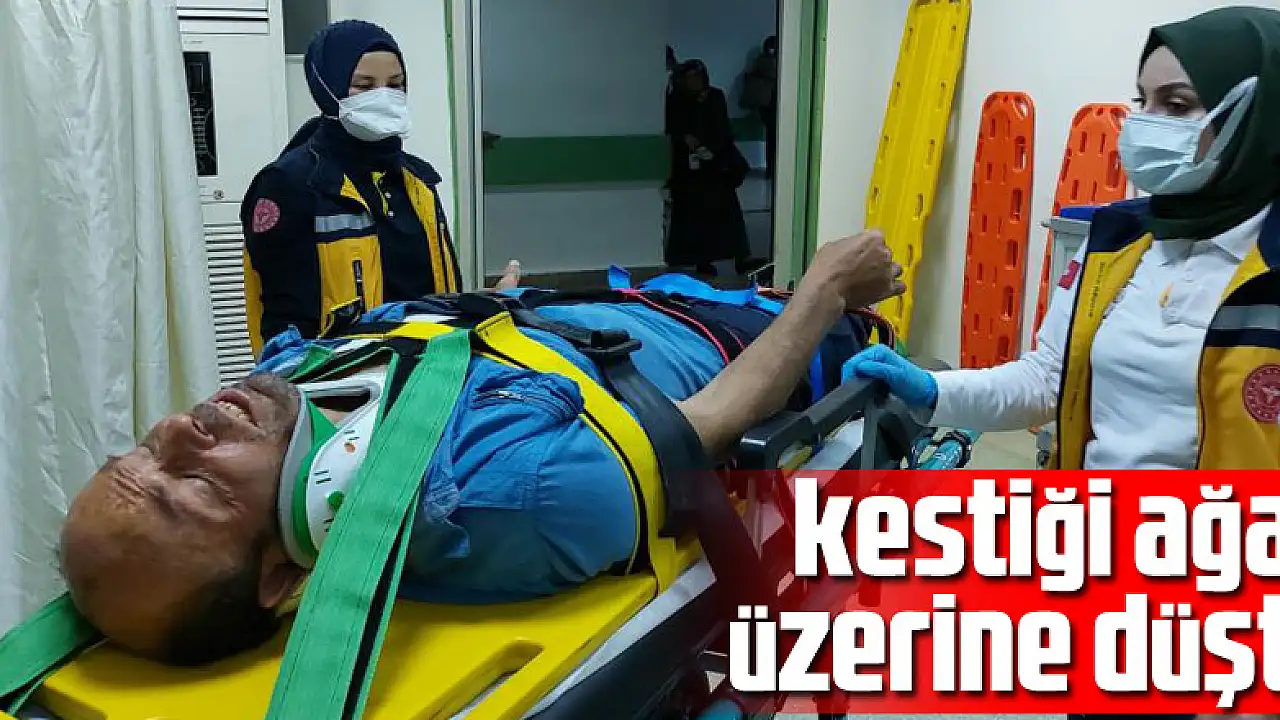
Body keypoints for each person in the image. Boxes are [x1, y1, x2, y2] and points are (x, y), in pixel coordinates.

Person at [56, 230, 905, 666]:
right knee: (852, 305)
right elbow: (711, 424)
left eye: (141, 450)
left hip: (578, 311)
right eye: (191, 487)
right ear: (279, 577)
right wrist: (828, 285)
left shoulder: (282, 399)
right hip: (730, 332)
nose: (179, 429)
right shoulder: (507, 495)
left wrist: (493, 310)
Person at [843, 6, 1280, 472]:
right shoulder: (1119, 240)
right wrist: (933, 390)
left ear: (1259, 116)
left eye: (1176, 105)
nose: (1144, 123)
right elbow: (1050, 379)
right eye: (1143, 101)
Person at [240, 20, 518, 356]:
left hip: (428, 366)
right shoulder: (289, 184)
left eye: (395, 84)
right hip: (344, 376)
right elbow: (283, 327)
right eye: (364, 85)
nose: (384, 96)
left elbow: (429, 297)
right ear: (327, 88)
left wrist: (484, 305)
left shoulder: (418, 181)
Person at [664, 60, 765, 277]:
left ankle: (742, 257)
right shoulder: (678, 101)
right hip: (692, 169)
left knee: (729, 212)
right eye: (690, 78)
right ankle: (703, 259)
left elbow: (722, 128)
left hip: (717, 164)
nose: (694, 82)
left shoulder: (715, 96)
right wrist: (688, 141)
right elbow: (675, 128)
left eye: (697, 77)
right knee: (697, 215)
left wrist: (712, 150)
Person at [740, 35, 779, 180]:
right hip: (771, 106)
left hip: (768, 106)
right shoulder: (767, 62)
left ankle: (771, 170)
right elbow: (772, 72)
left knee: (772, 139)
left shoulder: (760, 62)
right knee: (774, 139)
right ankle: (773, 170)